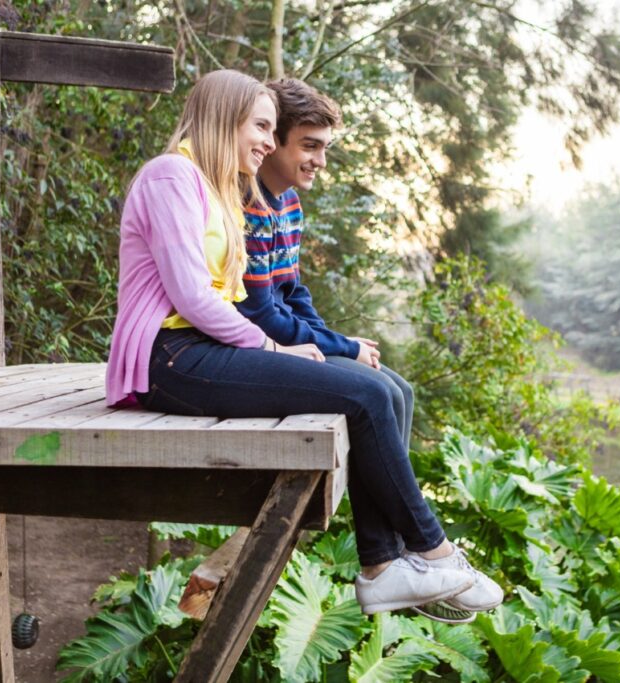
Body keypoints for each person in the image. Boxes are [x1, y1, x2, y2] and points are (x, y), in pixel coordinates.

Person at [104, 69, 502, 620]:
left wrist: (313, 347)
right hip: (171, 358)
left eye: (272, 129)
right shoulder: (170, 175)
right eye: (261, 127)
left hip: (205, 351)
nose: (268, 141)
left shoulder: (213, 185)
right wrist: (271, 350)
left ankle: (384, 566)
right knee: (365, 395)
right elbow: (194, 298)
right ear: (226, 117)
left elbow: (265, 292)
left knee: (374, 391)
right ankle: (432, 553)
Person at [238, 78, 414, 453]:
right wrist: (344, 348)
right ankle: (387, 508)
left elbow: (293, 294)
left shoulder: (288, 205)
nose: (321, 161)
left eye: (325, 148)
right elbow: (261, 314)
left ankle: (384, 507)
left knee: (403, 391)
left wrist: (333, 342)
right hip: (263, 349)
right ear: (273, 143)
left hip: (290, 336)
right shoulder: (249, 205)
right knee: (381, 393)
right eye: (310, 146)